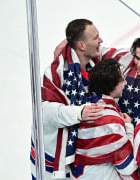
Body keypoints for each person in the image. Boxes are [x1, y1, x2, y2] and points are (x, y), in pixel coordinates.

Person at [54, 31, 140, 179]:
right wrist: (71, 40)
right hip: (120, 137)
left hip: (129, 139)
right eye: (137, 58)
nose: (139, 64)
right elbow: (94, 48)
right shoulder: (123, 59)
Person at [31, 19, 105, 180]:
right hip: (55, 159)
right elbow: (44, 112)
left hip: (81, 157)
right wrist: (79, 112)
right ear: (81, 46)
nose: (101, 41)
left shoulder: (96, 62)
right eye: (96, 38)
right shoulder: (55, 74)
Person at [69, 58, 139, 180]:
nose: (125, 83)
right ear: (112, 85)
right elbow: (128, 166)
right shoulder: (110, 121)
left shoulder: (90, 101)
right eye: (122, 79)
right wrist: (129, 128)